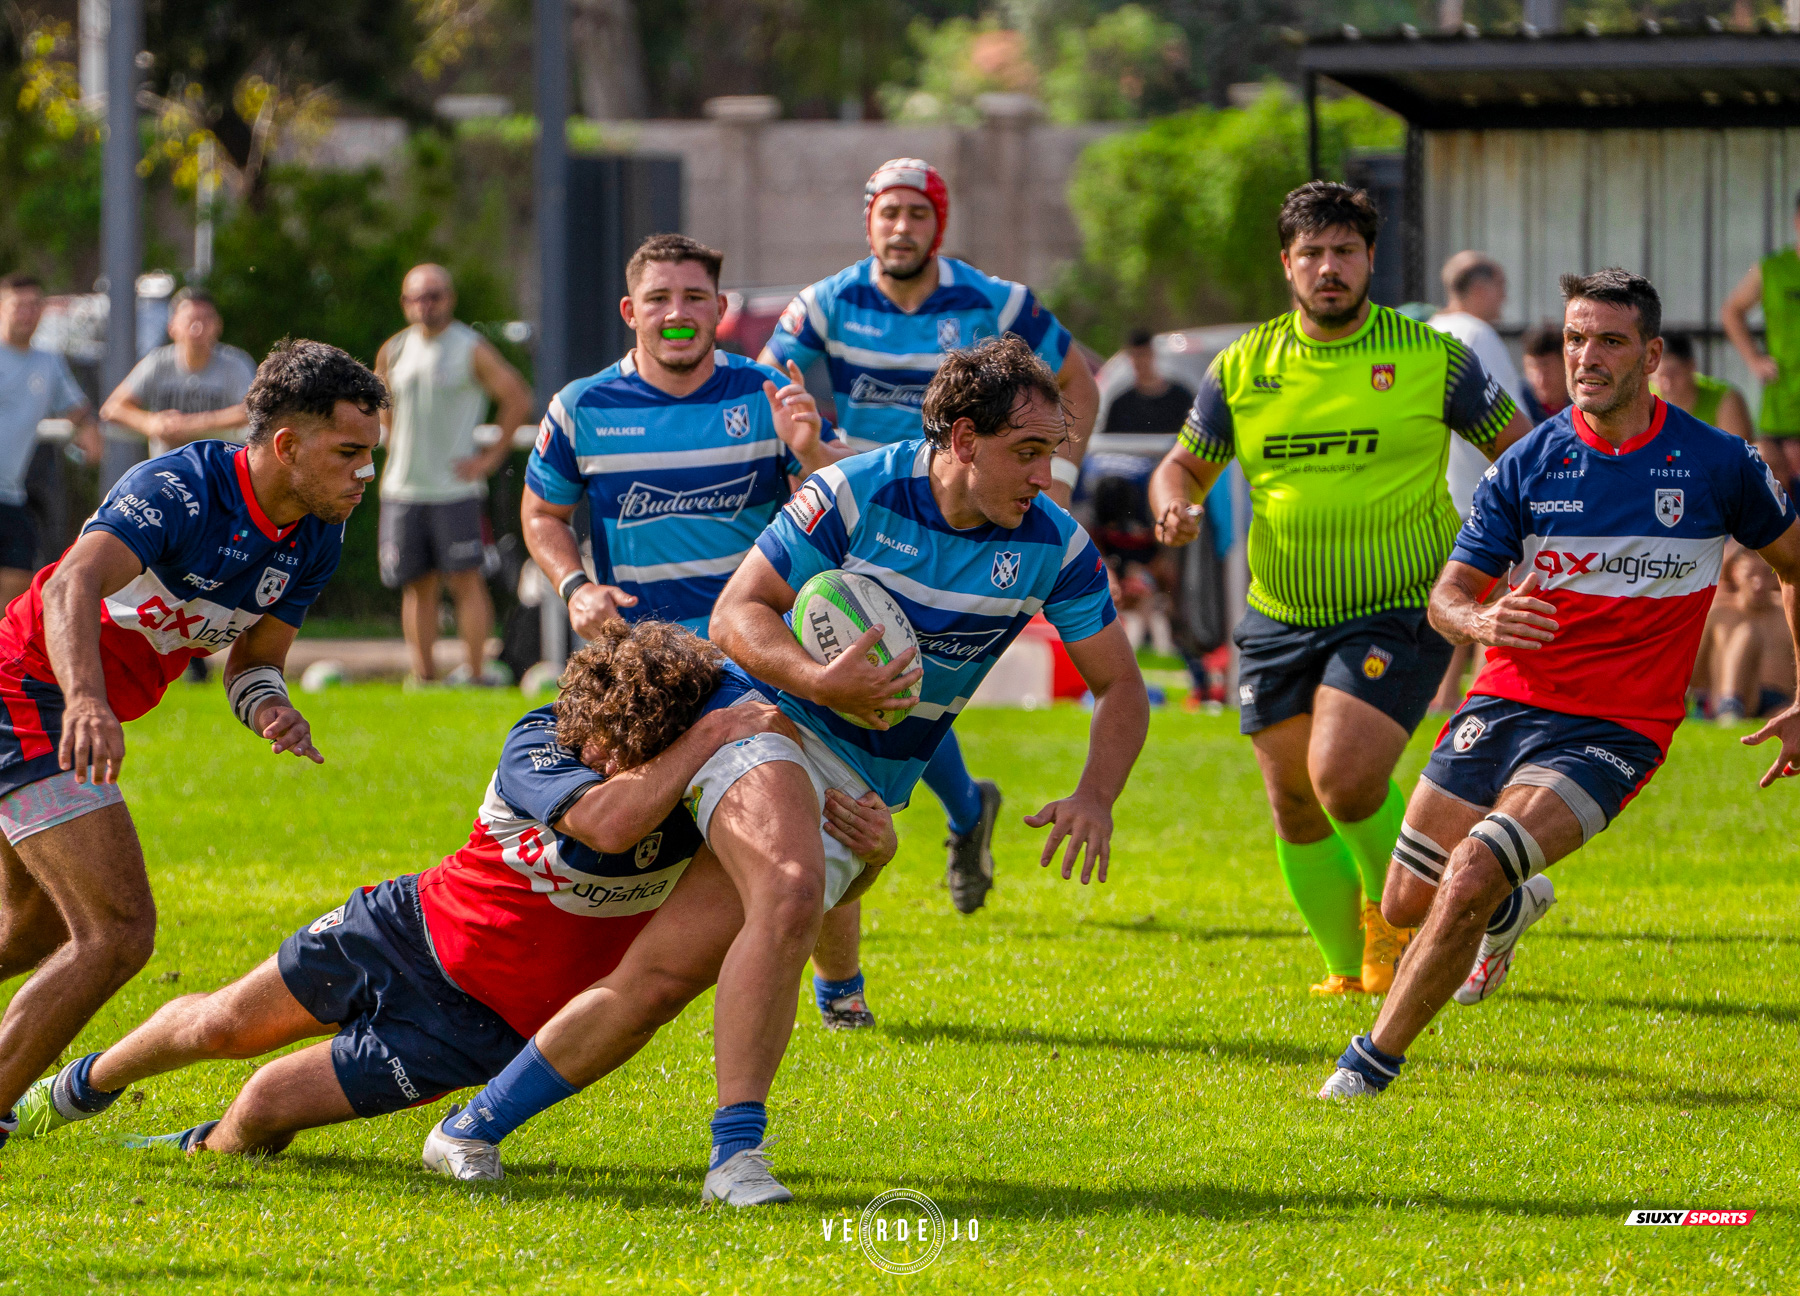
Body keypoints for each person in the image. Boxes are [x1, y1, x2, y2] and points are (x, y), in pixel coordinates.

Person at [421, 335, 1149, 1199]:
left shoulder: (1052, 544)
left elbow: (1122, 687)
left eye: (1052, 449)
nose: (1045, 472)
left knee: (661, 978)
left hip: (865, 778)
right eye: (1027, 451)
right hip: (765, 719)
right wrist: (820, 680)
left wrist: (1096, 795)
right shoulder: (858, 490)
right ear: (961, 439)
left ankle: (470, 1127)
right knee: (795, 887)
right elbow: (736, 615)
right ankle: (737, 1158)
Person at [8, 623, 848, 1159]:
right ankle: (77, 1088)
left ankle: (205, 1153)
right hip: (401, 929)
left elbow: (800, 874)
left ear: (643, 739)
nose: (582, 747)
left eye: (604, 744)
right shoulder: (541, 740)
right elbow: (608, 824)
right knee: (219, 1023)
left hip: (475, 1026)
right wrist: (712, 731)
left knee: (264, 1102)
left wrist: (862, 840)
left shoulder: (695, 798)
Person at [1319, 269, 1800, 1101]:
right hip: (1505, 701)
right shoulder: (1530, 463)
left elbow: (1795, 568)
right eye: (1577, 338)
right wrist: (1479, 622)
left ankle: (1366, 1067)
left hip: (1618, 728)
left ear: (1651, 355)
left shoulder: (1716, 462)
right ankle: (1511, 910)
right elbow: (1447, 597)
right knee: (1403, 903)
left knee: (1470, 872)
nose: (1587, 356)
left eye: (1610, 340)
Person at [0, 339, 386, 1150]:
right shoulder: (180, 488)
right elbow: (71, 584)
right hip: (26, 692)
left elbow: (256, 664)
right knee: (116, 932)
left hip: (60, 703)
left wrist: (272, 708)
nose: (364, 474)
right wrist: (86, 702)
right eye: (349, 452)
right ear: (287, 445)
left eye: (370, 455)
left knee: (34, 932)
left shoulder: (316, 533)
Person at [1148, 182, 1531, 998]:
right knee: (1294, 804)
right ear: (1287, 264)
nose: (1330, 268)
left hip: (1398, 604)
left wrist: (1511, 556)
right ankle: (1350, 972)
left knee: (1346, 779)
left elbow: (1521, 456)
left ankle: (1448, 914)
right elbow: (1183, 464)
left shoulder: (1433, 358)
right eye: (1313, 253)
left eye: (1346, 252)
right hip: (1279, 612)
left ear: (1369, 261)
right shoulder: (1243, 367)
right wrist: (1174, 504)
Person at [758, 160, 1102, 937]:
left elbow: (1079, 378)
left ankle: (931, 816)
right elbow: (770, 375)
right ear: (868, 222)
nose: (901, 227)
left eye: (917, 213)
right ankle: (953, 808)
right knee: (877, 662)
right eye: (888, 213)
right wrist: (805, 445)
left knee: (918, 666)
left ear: (937, 225)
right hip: (869, 504)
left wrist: (1061, 473)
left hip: (970, 506)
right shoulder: (828, 300)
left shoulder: (995, 301)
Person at [374, 264, 533, 686]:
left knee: (466, 582)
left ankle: (476, 674)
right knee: (416, 586)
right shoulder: (394, 349)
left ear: (450, 298)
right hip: (403, 487)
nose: (426, 304)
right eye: (417, 297)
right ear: (406, 303)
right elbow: (379, 404)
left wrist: (491, 457)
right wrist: (392, 441)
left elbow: (517, 396)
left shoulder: (470, 347)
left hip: (455, 489)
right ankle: (424, 677)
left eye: (435, 295)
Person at [1427, 253, 1530, 713]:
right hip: (1477, 492)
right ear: (1480, 286)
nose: (1505, 296)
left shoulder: (1425, 331)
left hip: (1432, 493)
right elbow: (1503, 424)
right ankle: (1482, 698)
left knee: (1448, 600)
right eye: (1501, 284)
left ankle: (1442, 699)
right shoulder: (1476, 334)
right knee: (1488, 601)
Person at [0, 273, 100, 604]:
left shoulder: (48, 361)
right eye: (19, 306)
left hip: (11, 496)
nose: (27, 313)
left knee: (17, 586)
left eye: (34, 305)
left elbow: (75, 407)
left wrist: (87, 428)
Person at [100, 287, 257, 460]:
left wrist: (191, 425)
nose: (197, 327)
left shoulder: (235, 364)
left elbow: (252, 411)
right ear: (172, 326)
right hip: (167, 476)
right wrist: (150, 423)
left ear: (218, 326)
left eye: (205, 319)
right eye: (190, 319)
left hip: (220, 475)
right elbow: (112, 408)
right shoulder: (157, 363)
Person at [1722, 191, 1800, 489]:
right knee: (1772, 476)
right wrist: (1754, 359)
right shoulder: (1772, 268)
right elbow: (1732, 310)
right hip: (1783, 396)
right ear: (1796, 221)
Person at [1701, 547, 1795, 726]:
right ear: (1735, 573)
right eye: (1751, 574)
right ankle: (1730, 708)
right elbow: (1696, 673)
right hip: (1726, 696)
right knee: (1746, 634)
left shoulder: (1788, 611)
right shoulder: (1718, 611)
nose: (1758, 583)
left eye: (1767, 574)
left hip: (1778, 702)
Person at [1653, 333, 1755, 440]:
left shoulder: (1724, 399)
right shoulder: (1643, 398)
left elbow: (1734, 454)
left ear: (1692, 367)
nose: (1667, 385)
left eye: (1674, 374)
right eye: (1659, 376)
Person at [1106, 328, 1196, 435]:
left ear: (1152, 353)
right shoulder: (1121, 405)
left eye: (1142, 354)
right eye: (1134, 355)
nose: (1139, 361)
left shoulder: (1181, 398)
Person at [1519, 322, 1570, 424]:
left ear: (1565, 365)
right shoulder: (1517, 405)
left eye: (1547, 370)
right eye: (1532, 367)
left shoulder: (1584, 406)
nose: (1540, 379)